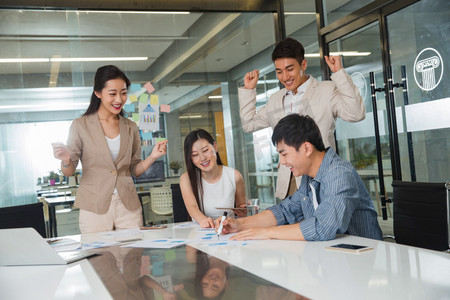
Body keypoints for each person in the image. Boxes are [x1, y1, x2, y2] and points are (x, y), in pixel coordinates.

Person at [216, 114, 382, 241]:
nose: (281, 162)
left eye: (284, 154)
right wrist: (239, 224)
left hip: (363, 260)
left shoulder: (338, 174)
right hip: (333, 257)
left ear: (307, 149)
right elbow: (284, 211)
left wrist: (266, 233)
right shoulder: (310, 178)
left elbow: (322, 227)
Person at [238, 37, 365, 200]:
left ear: (303, 65)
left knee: (321, 224)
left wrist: (339, 74)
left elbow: (356, 113)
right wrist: (249, 90)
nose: (284, 77)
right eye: (279, 71)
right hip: (290, 181)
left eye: (289, 69)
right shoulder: (276, 99)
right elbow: (249, 124)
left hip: (321, 177)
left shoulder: (326, 90)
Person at [52, 65, 168, 234]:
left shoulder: (131, 127)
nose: (119, 99)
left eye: (123, 93)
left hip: (128, 205)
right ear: (98, 93)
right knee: (99, 258)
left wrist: (152, 157)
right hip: (94, 206)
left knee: (131, 257)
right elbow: (69, 172)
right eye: (112, 94)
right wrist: (66, 159)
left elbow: (134, 169)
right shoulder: (80, 125)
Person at [180, 129, 246, 228]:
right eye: (195, 155)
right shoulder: (186, 179)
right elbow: (192, 207)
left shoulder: (235, 176)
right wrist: (203, 220)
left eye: (205, 150)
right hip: (201, 231)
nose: (202, 158)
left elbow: (242, 212)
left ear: (215, 147)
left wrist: (242, 212)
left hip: (228, 230)